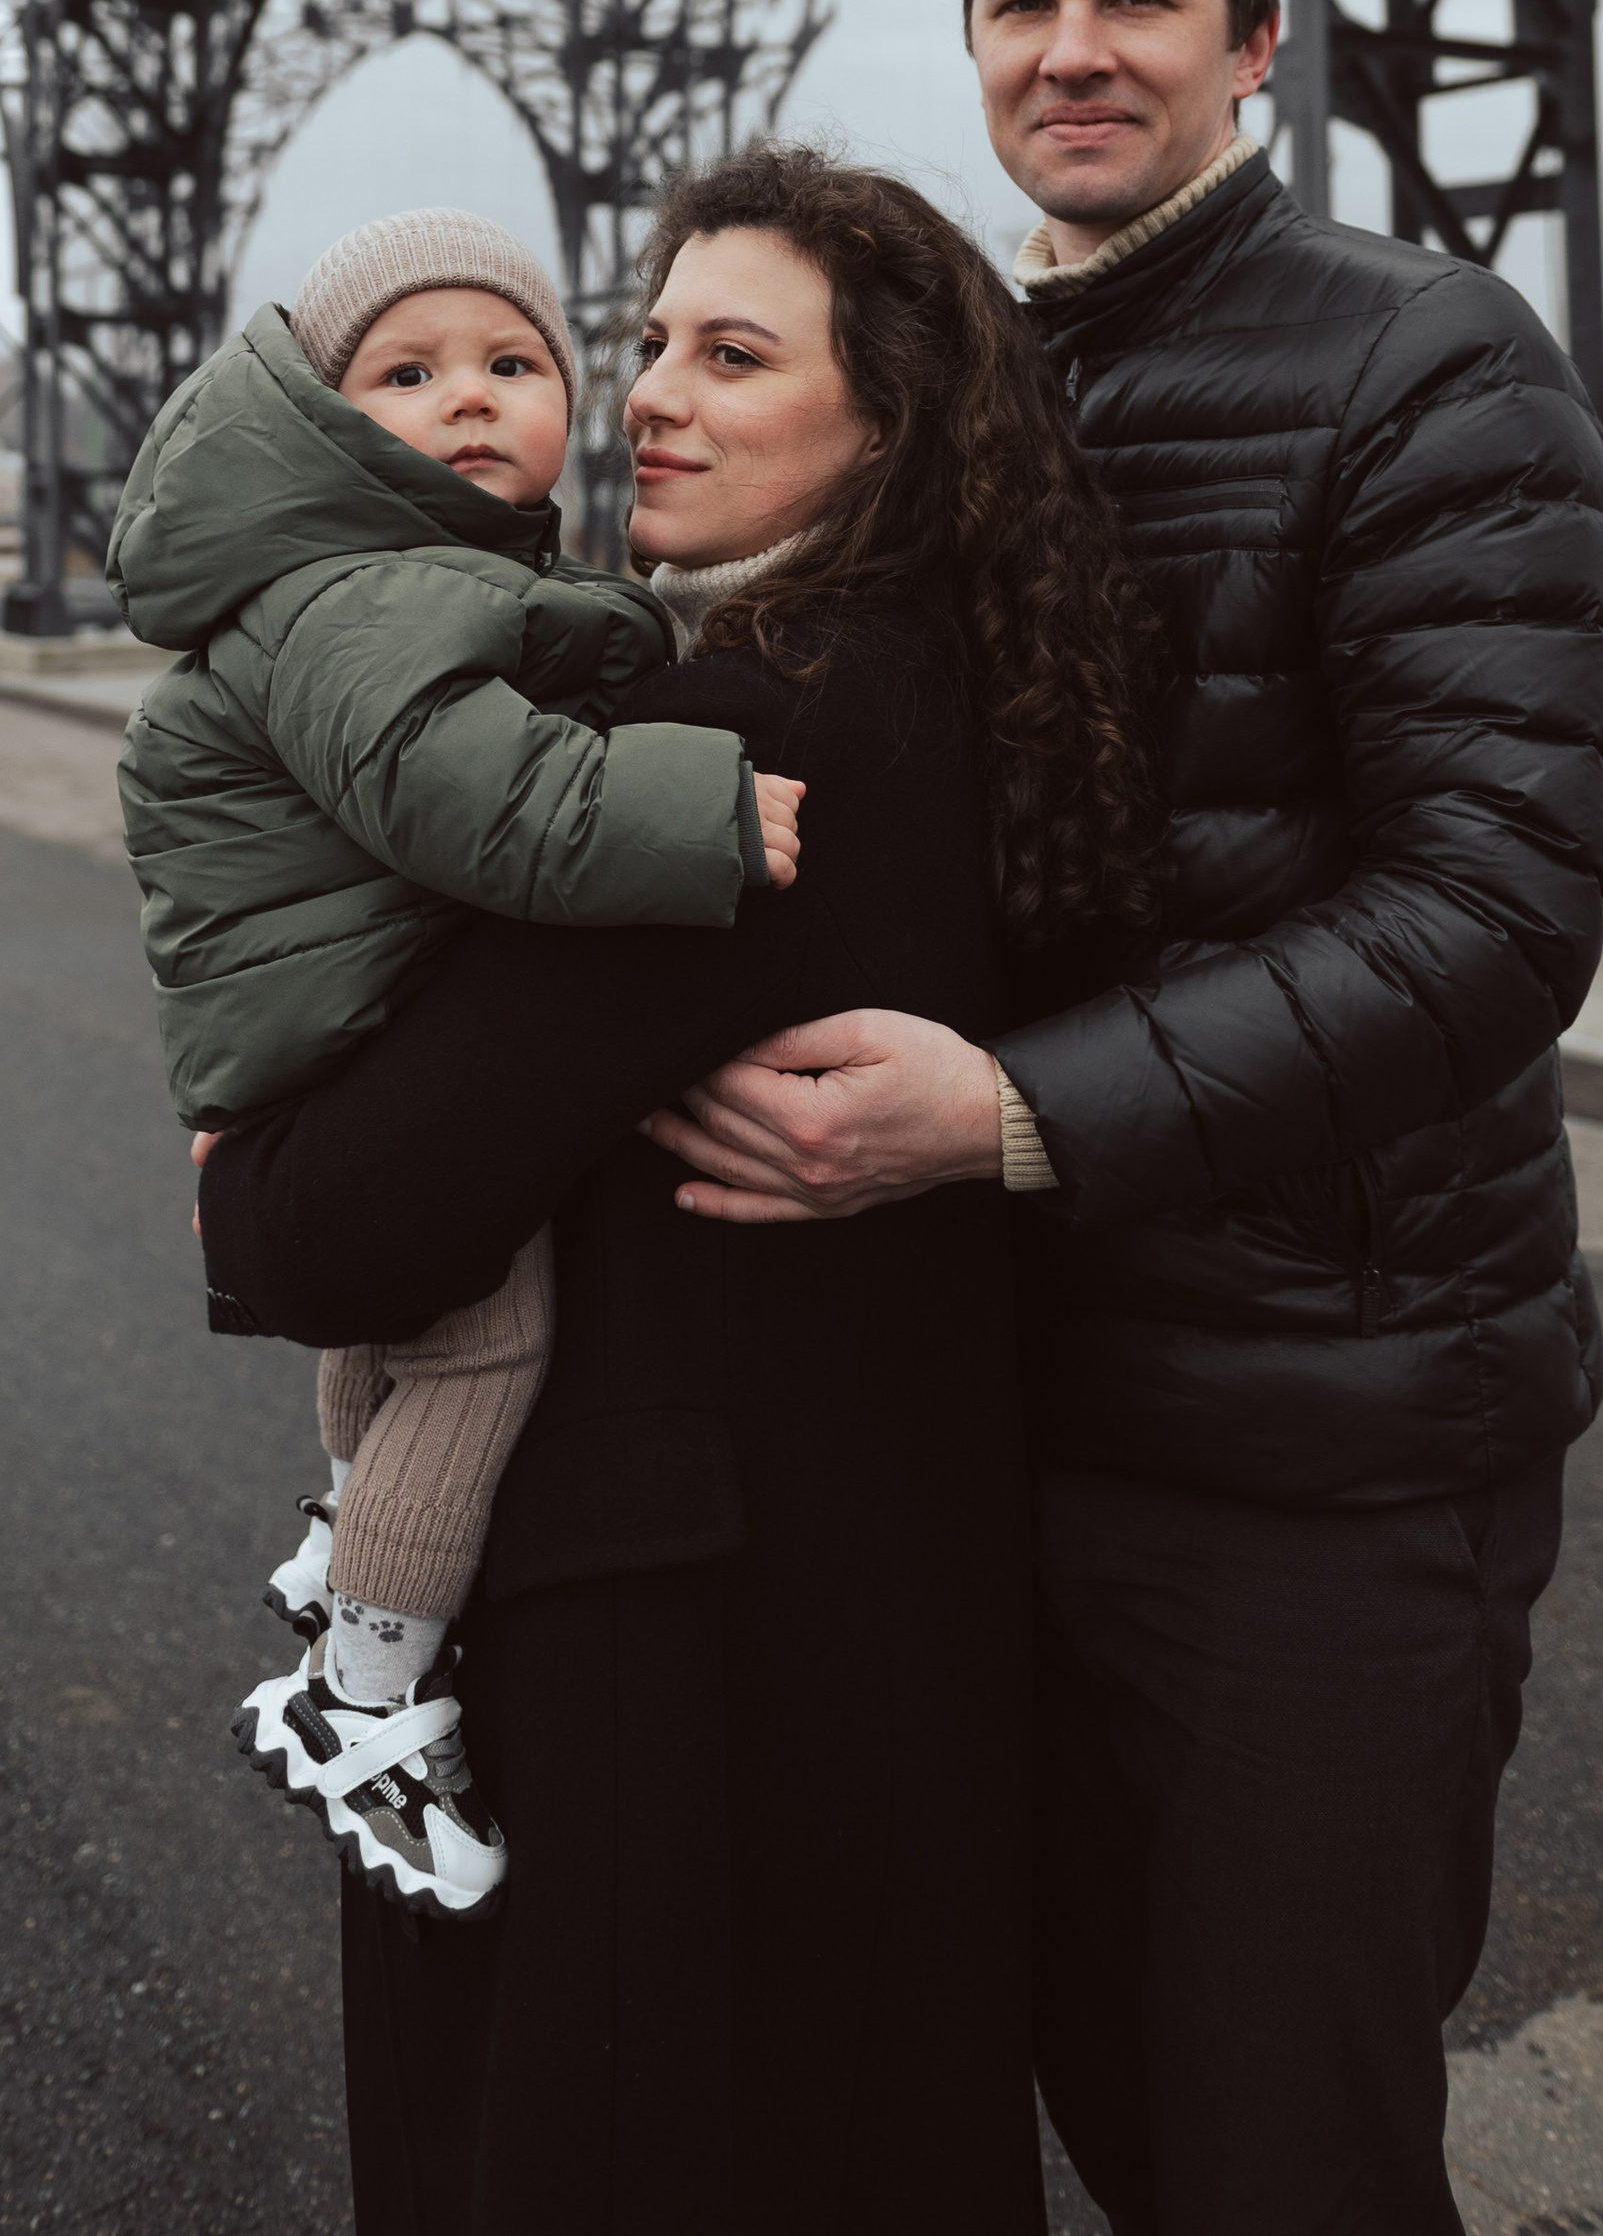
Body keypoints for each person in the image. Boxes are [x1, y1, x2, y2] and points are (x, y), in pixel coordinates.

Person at [643, 0, 1603, 2236]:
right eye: (1021, 4)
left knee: (1272, 2147)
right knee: (1073, 2080)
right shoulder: (981, 380)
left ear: (1254, 44)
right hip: (1016, 1417)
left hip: (1317, 1443)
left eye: (1133, 0)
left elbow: (1493, 904)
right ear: (972, 45)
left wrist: (1009, 1115)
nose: (1070, 50)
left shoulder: (1421, 360)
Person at [195, 148, 1165, 2236]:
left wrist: (236, 1173)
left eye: (730, 354)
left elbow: (343, 1225)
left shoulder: (748, 735)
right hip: (875, 1612)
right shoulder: (958, 689)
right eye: (640, 341)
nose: (645, 391)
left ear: (888, 420)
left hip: (680, 1669)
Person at [105, 208, 802, 1915]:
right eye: (409, 375)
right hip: (340, 1023)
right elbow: (465, 794)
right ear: (333, 421)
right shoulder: (362, 594)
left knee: (404, 1326)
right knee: (484, 1350)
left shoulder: (386, 568)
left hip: (316, 1023)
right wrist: (702, 806)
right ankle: (367, 1696)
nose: (472, 399)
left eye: (515, 365)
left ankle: (352, 1544)